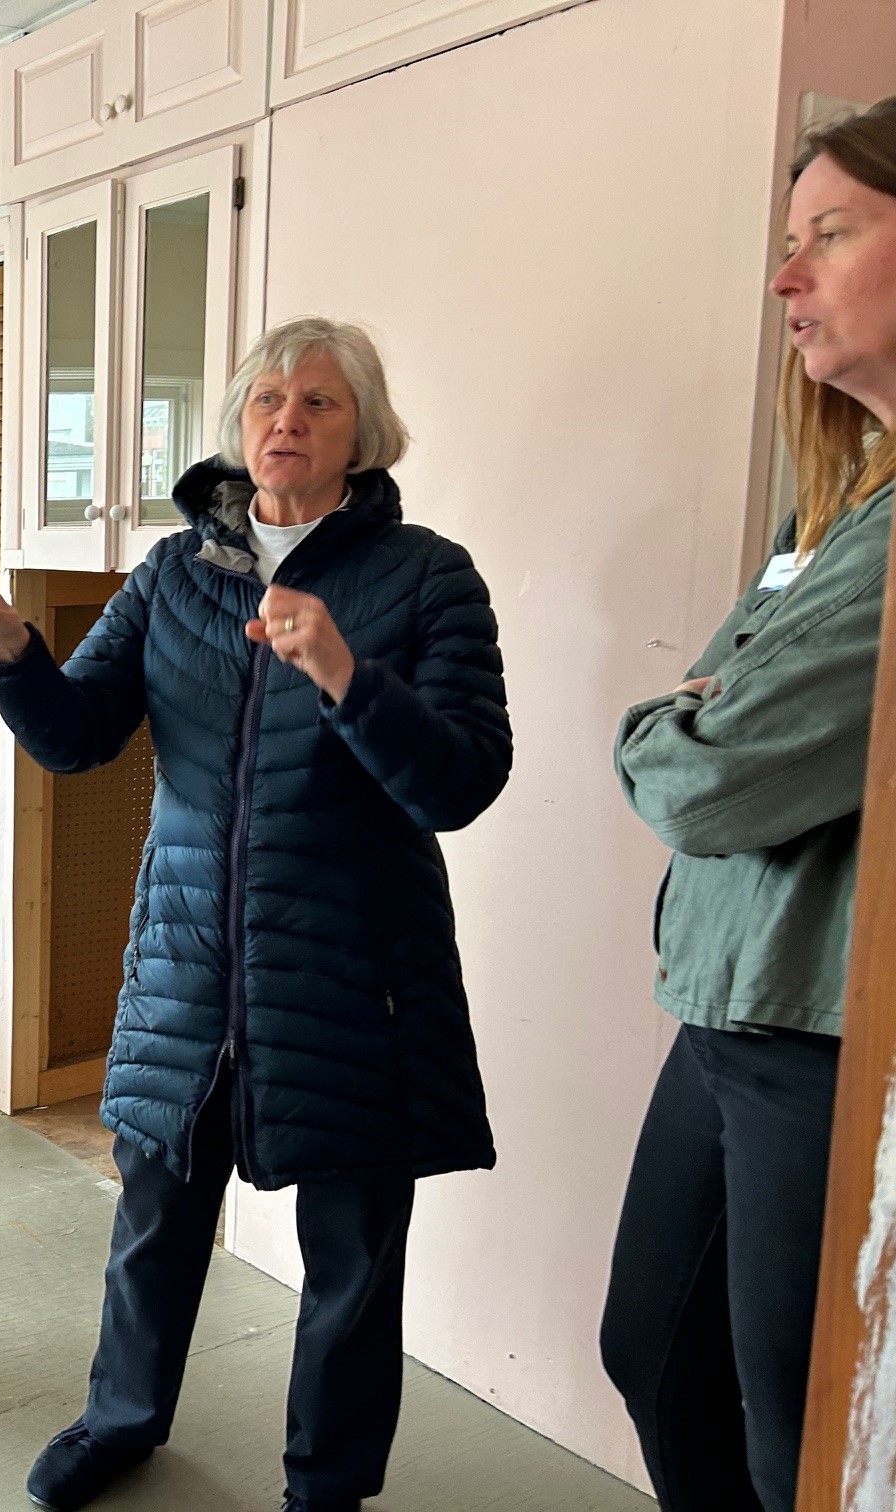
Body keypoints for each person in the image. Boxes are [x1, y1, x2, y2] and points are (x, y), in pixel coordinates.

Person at [0, 317, 512, 1512]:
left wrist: (351, 678)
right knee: (154, 1218)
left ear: (365, 435)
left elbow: (461, 780)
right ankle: (120, 1419)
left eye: (318, 403)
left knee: (352, 1261)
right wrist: (11, 648)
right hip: (189, 966)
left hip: (360, 976)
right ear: (239, 430)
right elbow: (80, 735)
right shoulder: (173, 573)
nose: (287, 421)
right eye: (266, 402)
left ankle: (329, 1489)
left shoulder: (427, 577)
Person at [602, 96, 896, 1512]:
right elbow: (715, 711)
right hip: (718, 1011)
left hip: (823, 1043)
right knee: (648, 1355)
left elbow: (706, 774)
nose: (785, 279)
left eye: (829, 236)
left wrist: (666, 728)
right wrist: (693, 718)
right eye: (788, 243)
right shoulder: (830, 510)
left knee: (801, 1443)